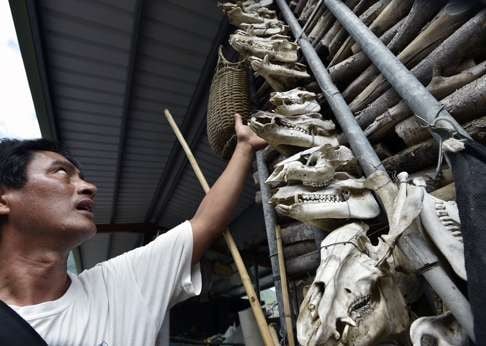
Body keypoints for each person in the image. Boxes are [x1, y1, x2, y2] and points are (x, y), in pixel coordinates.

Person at [0, 114, 266, 345]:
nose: (89, 187)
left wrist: (244, 147)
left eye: (81, 177)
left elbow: (205, 222)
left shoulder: (121, 284)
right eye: (61, 173)